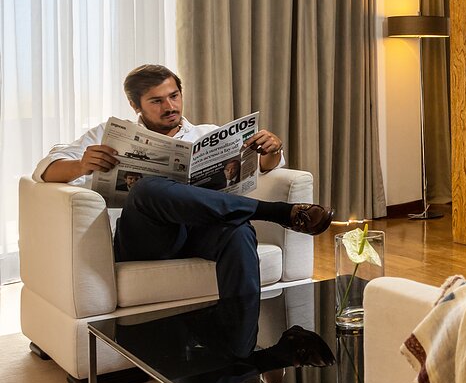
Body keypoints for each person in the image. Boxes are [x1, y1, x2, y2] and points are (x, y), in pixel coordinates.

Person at [34, 64, 334, 299]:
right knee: (148, 187)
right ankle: (276, 212)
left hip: (197, 234)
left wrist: (273, 149)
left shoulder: (207, 134)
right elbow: (44, 171)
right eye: (156, 101)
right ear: (135, 104)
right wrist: (81, 165)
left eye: (174, 96)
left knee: (239, 231)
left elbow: (267, 168)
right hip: (147, 239)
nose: (170, 106)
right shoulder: (109, 133)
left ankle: (240, 346)